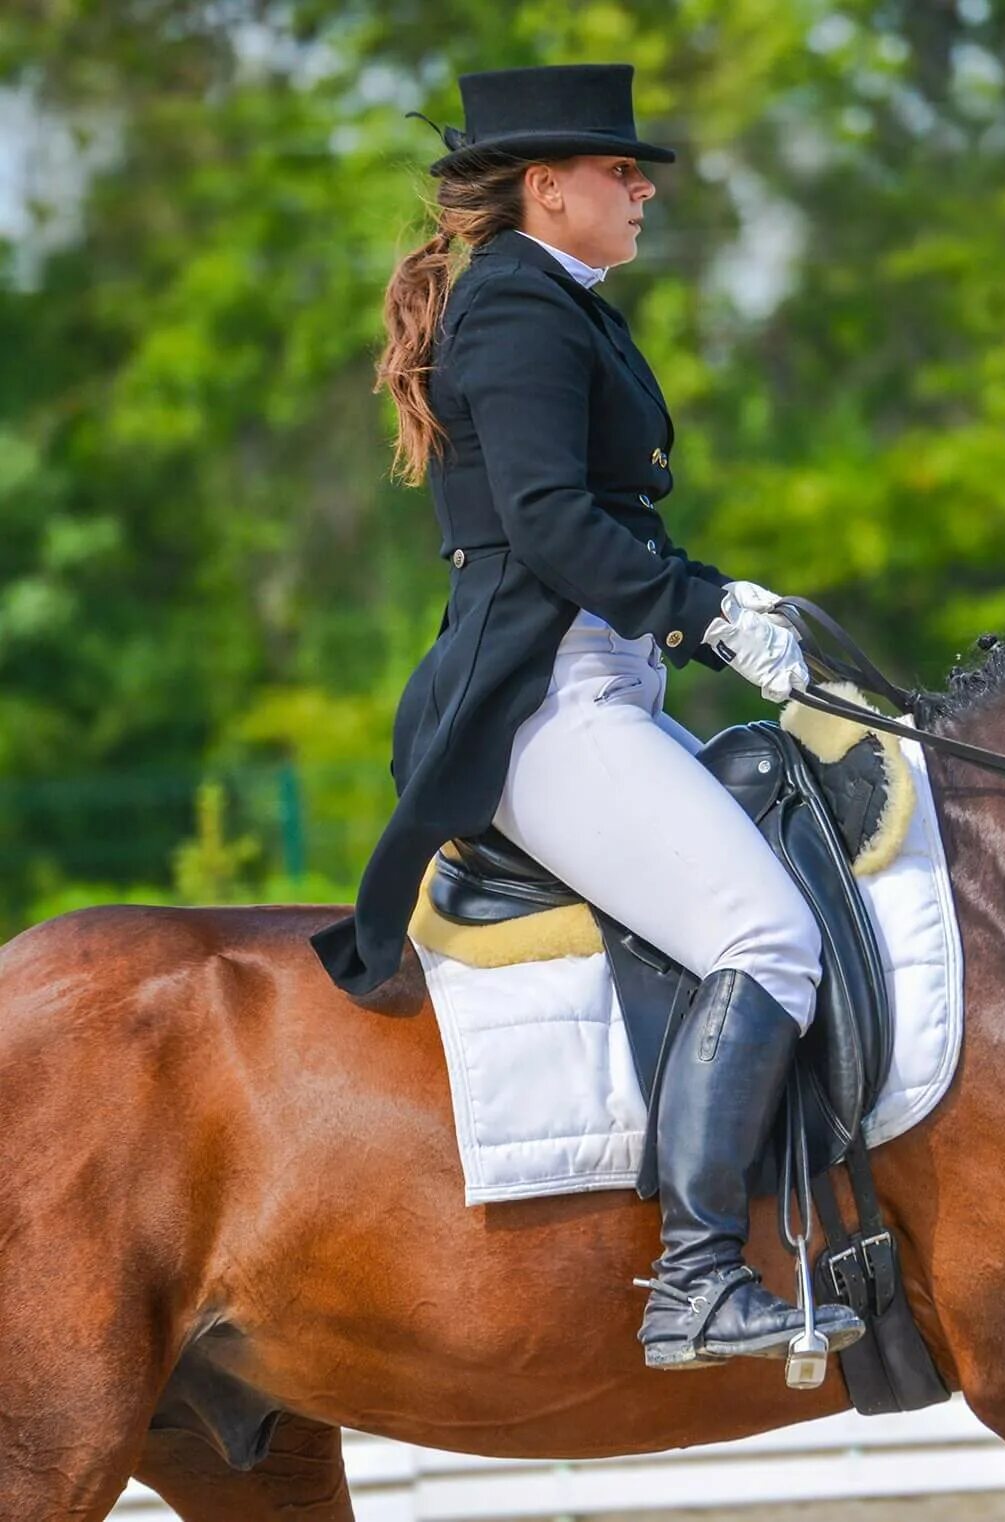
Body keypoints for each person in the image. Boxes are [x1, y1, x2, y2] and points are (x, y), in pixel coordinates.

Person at [308, 62, 866, 1370]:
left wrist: (719, 599)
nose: (642, 188)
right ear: (545, 188)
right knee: (767, 935)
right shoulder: (516, 306)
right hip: (542, 705)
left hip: (600, 685)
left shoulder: (557, 301)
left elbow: (588, 512)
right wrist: (702, 609)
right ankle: (697, 1278)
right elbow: (554, 523)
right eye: (622, 171)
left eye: (640, 171)